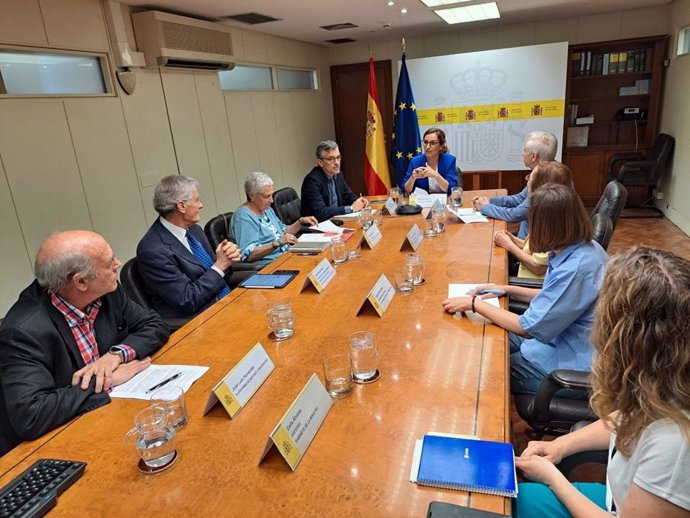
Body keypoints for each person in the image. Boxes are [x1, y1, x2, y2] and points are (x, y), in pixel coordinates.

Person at [514, 246, 690, 518]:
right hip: (618, 498)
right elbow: (630, 418)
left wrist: (553, 479)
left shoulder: (676, 444)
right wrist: (560, 445)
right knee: (510, 496)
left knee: (509, 503)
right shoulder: (670, 379)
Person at [0, 230, 169, 456]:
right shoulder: (23, 331)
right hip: (62, 442)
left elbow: (154, 324)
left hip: (114, 413)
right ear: (80, 281)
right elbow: (32, 415)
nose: (118, 264)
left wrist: (115, 356)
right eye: (109, 263)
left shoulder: (106, 292)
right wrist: (105, 380)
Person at [442, 184, 608, 395]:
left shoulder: (577, 269)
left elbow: (528, 328)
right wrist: (505, 289)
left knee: (487, 365)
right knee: (487, 336)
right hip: (560, 340)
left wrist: (475, 304)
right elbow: (553, 298)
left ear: (548, 226)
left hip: (571, 370)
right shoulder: (579, 249)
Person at [137, 175, 241, 320]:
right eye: (197, 200)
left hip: (227, 303)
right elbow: (187, 300)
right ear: (181, 206)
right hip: (200, 321)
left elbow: (217, 274)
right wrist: (220, 265)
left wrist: (226, 259)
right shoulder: (152, 250)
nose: (201, 205)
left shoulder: (194, 230)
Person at [493, 161, 573, 279]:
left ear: (540, 186)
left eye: (530, 177)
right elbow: (535, 250)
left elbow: (538, 267)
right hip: (525, 270)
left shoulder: (552, 220)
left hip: (531, 282)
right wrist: (512, 239)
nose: (527, 180)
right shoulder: (549, 210)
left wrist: (508, 244)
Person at [472, 130, 558, 238]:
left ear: (533, 156)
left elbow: (516, 214)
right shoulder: (546, 171)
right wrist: (489, 200)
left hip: (531, 247)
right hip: (525, 239)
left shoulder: (549, 179)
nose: (522, 154)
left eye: (525, 151)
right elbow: (519, 199)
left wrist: (486, 207)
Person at [232, 172, 318, 267]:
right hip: (271, 265)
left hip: (288, 256)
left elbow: (283, 231)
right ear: (252, 196)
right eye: (266, 196)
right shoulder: (243, 217)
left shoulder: (266, 208)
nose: (272, 200)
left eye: (271, 195)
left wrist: (300, 222)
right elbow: (249, 254)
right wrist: (276, 244)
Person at [301, 140, 369, 222]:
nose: (337, 163)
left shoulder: (338, 175)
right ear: (320, 162)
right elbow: (322, 212)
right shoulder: (312, 181)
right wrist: (351, 208)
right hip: (318, 226)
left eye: (338, 157)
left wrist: (360, 201)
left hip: (336, 221)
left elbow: (349, 195)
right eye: (331, 159)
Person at [402, 127, 458, 195]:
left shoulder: (449, 160)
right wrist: (412, 178)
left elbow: (452, 189)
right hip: (423, 202)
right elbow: (406, 189)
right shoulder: (415, 161)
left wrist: (436, 175)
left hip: (444, 201)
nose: (427, 147)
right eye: (425, 142)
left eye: (432, 143)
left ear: (441, 146)